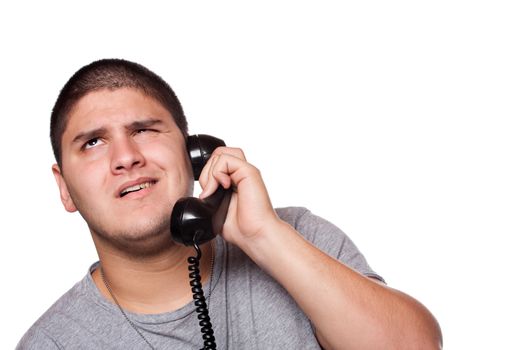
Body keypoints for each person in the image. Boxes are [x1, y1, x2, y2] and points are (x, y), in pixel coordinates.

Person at [17, 59, 442, 349]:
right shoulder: (53, 342)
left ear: (194, 153)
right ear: (65, 188)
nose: (126, 156)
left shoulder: (297, 237)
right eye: (93, 142)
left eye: (145, 130)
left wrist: (264, 237)